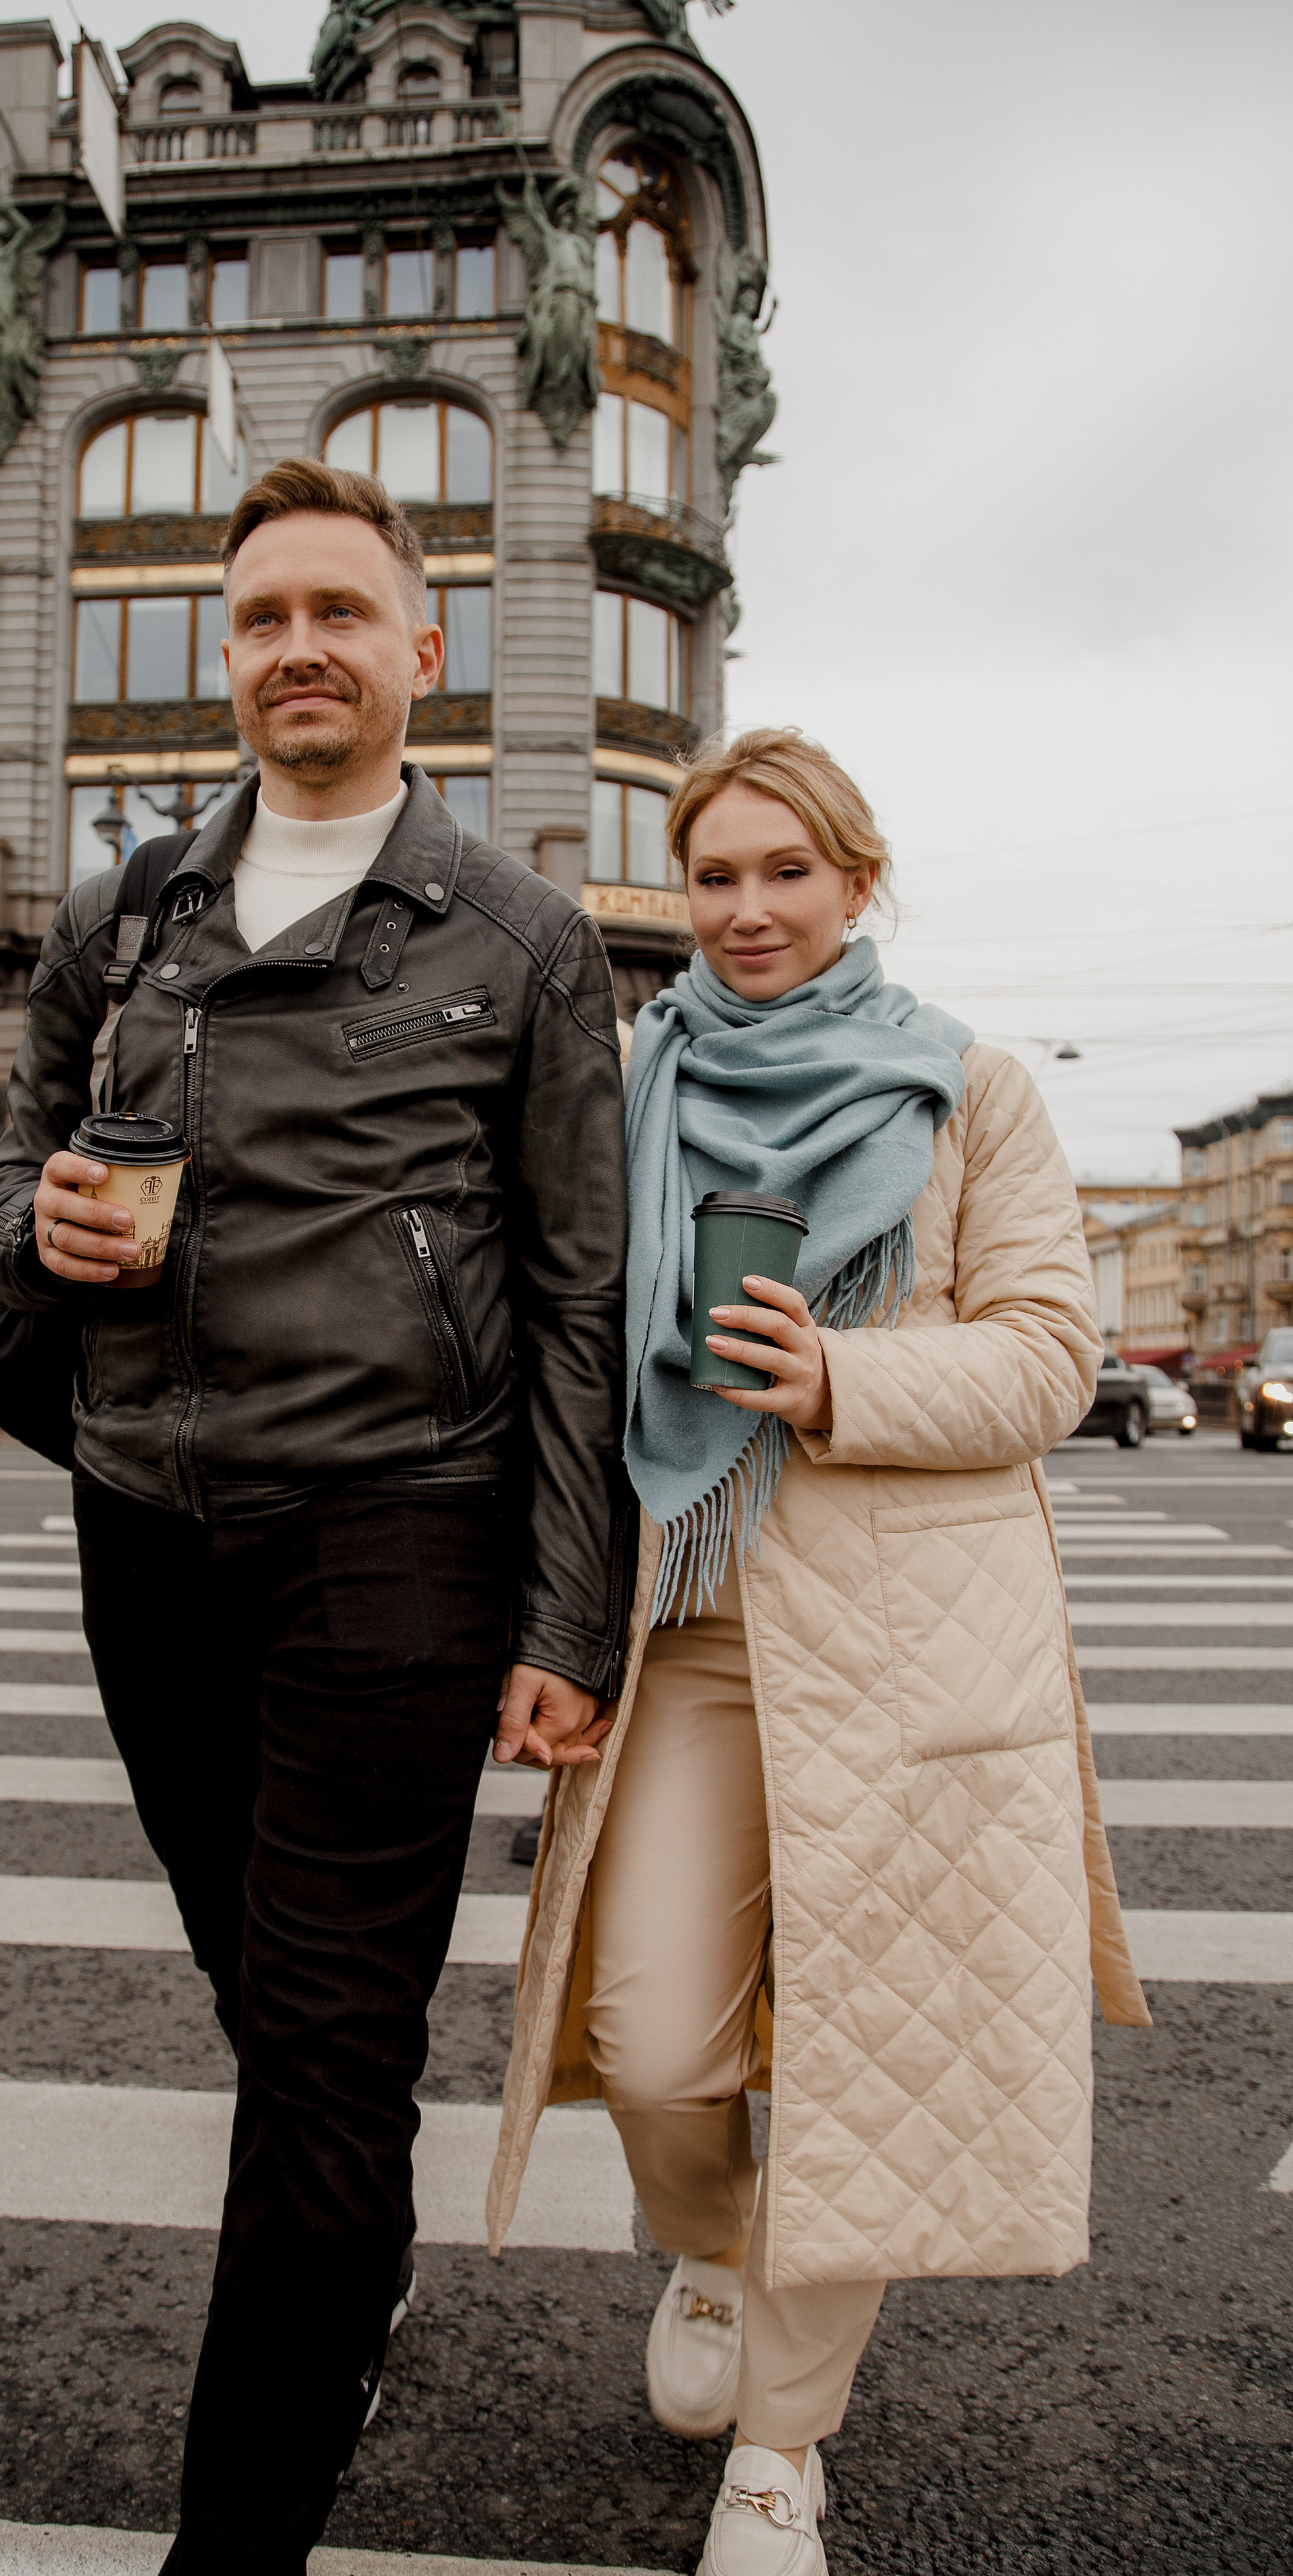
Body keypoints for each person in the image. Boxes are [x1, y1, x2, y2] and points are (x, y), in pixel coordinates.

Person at [0, 459, 628, 2574]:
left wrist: (568, 1615)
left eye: (339, 611)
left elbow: (581, 1295)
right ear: (225, 656)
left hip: (396, 1529)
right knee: (260, 1978)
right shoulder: (123, 915)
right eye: (261, 618)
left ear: (421, 649)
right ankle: (353, 2253)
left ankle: (241, 2535)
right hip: (145, 1515)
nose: (298, 649)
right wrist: (35, 1224)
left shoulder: (523, 939)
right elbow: (14, 1162)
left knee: (333, 2035)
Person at [488, 729, 1149, 2575]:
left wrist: (840, 1374)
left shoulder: (968, 1086)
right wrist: (541, 1619)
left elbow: (1049, 1356)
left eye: (788, 871)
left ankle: (781, 2454)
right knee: (652, 2039)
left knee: (871, 2057)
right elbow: (562, 1348)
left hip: (911, 1643)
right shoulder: (634, 1079)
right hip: (686, 1628)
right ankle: (715, 2243)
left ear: (859, 883)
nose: (749, 908)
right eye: (716, 874)